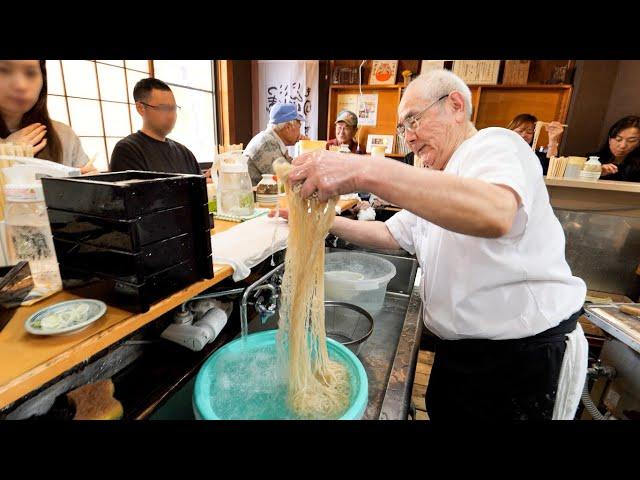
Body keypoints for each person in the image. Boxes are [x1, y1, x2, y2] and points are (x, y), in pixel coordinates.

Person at [278, 69, 588, 420]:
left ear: (455, 105)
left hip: (522, 357)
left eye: (413, 120)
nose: (408, 137)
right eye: (402, 128)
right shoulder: (441, 183)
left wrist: (360, 169)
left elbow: (496, 212)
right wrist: (317, 220)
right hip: (461, 353)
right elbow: (390, 235)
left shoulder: (494, 145)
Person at [0, 60, 95, 172]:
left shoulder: (63, 134)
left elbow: (90, 180)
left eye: (30, 73)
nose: (21, 85)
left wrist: (90, 182)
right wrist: (6, 153)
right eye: (4, 70)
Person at [109, 78, 201, 175]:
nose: (171, 115)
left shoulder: (185, 153)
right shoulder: (127, 150)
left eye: (173, 108)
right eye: (164, 108)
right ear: (140, 108)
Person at [244, 103, 307, 186]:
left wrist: (303, 147)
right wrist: (306, 152)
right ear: (288, 127)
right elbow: (288, 179)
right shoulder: (267, 143)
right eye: (299, 128)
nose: (300, 133)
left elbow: (290, 167)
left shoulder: (270, 140)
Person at [589, 115, 640, 182]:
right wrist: (594, 173)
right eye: (618, 139)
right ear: (609, 140)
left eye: (631, 141)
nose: (622, 146)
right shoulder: (592, 160)